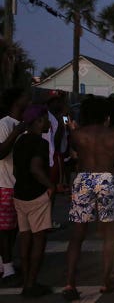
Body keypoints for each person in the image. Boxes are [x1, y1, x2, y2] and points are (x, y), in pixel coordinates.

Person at [62, 87, 114, 300]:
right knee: (109, 235)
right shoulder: (113, 133)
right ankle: (106, 281)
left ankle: (70, 283)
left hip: (83, 179)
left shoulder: (77, 134)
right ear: (106, 116)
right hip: (106, 179)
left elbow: (74, 154)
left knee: (77, 236)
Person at [12, 105, 54, 297]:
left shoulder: (20, 140)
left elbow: (17, 169)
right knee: (39, 240)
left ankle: (25, 282)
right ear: (38, 121)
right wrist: (51, 186)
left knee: (24, 238)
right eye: (46, 119)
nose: (48, 123)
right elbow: (36, 168)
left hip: (19, 194)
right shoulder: (40, 143)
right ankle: (31, 284)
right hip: (36, 195)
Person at [0, 87, 29, 284]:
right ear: (16, 101)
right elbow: (1, 152)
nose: (29, 98)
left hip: (20, 184)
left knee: (12, 229)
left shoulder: (23, 124)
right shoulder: (5, 123)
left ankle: (5, 264)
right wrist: (16, 132)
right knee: (4, 230)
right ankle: (8, 269)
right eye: (24, 95)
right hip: (5, 184)